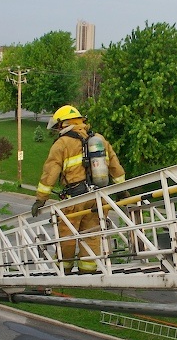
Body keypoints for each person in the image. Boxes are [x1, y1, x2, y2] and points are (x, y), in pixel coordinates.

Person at [31, 105, 126, 274]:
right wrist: (122, 190)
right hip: (98, 198)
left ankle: (64, 270)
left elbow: (50, 172)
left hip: (75, 200)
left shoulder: (62, 144)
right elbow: (114, 165)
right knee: (92, 235)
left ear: (63, 123)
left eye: (57, 126)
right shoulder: (99, 139)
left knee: (67, 236)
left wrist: (41, 199)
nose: (57, 130)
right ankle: (88, 270)